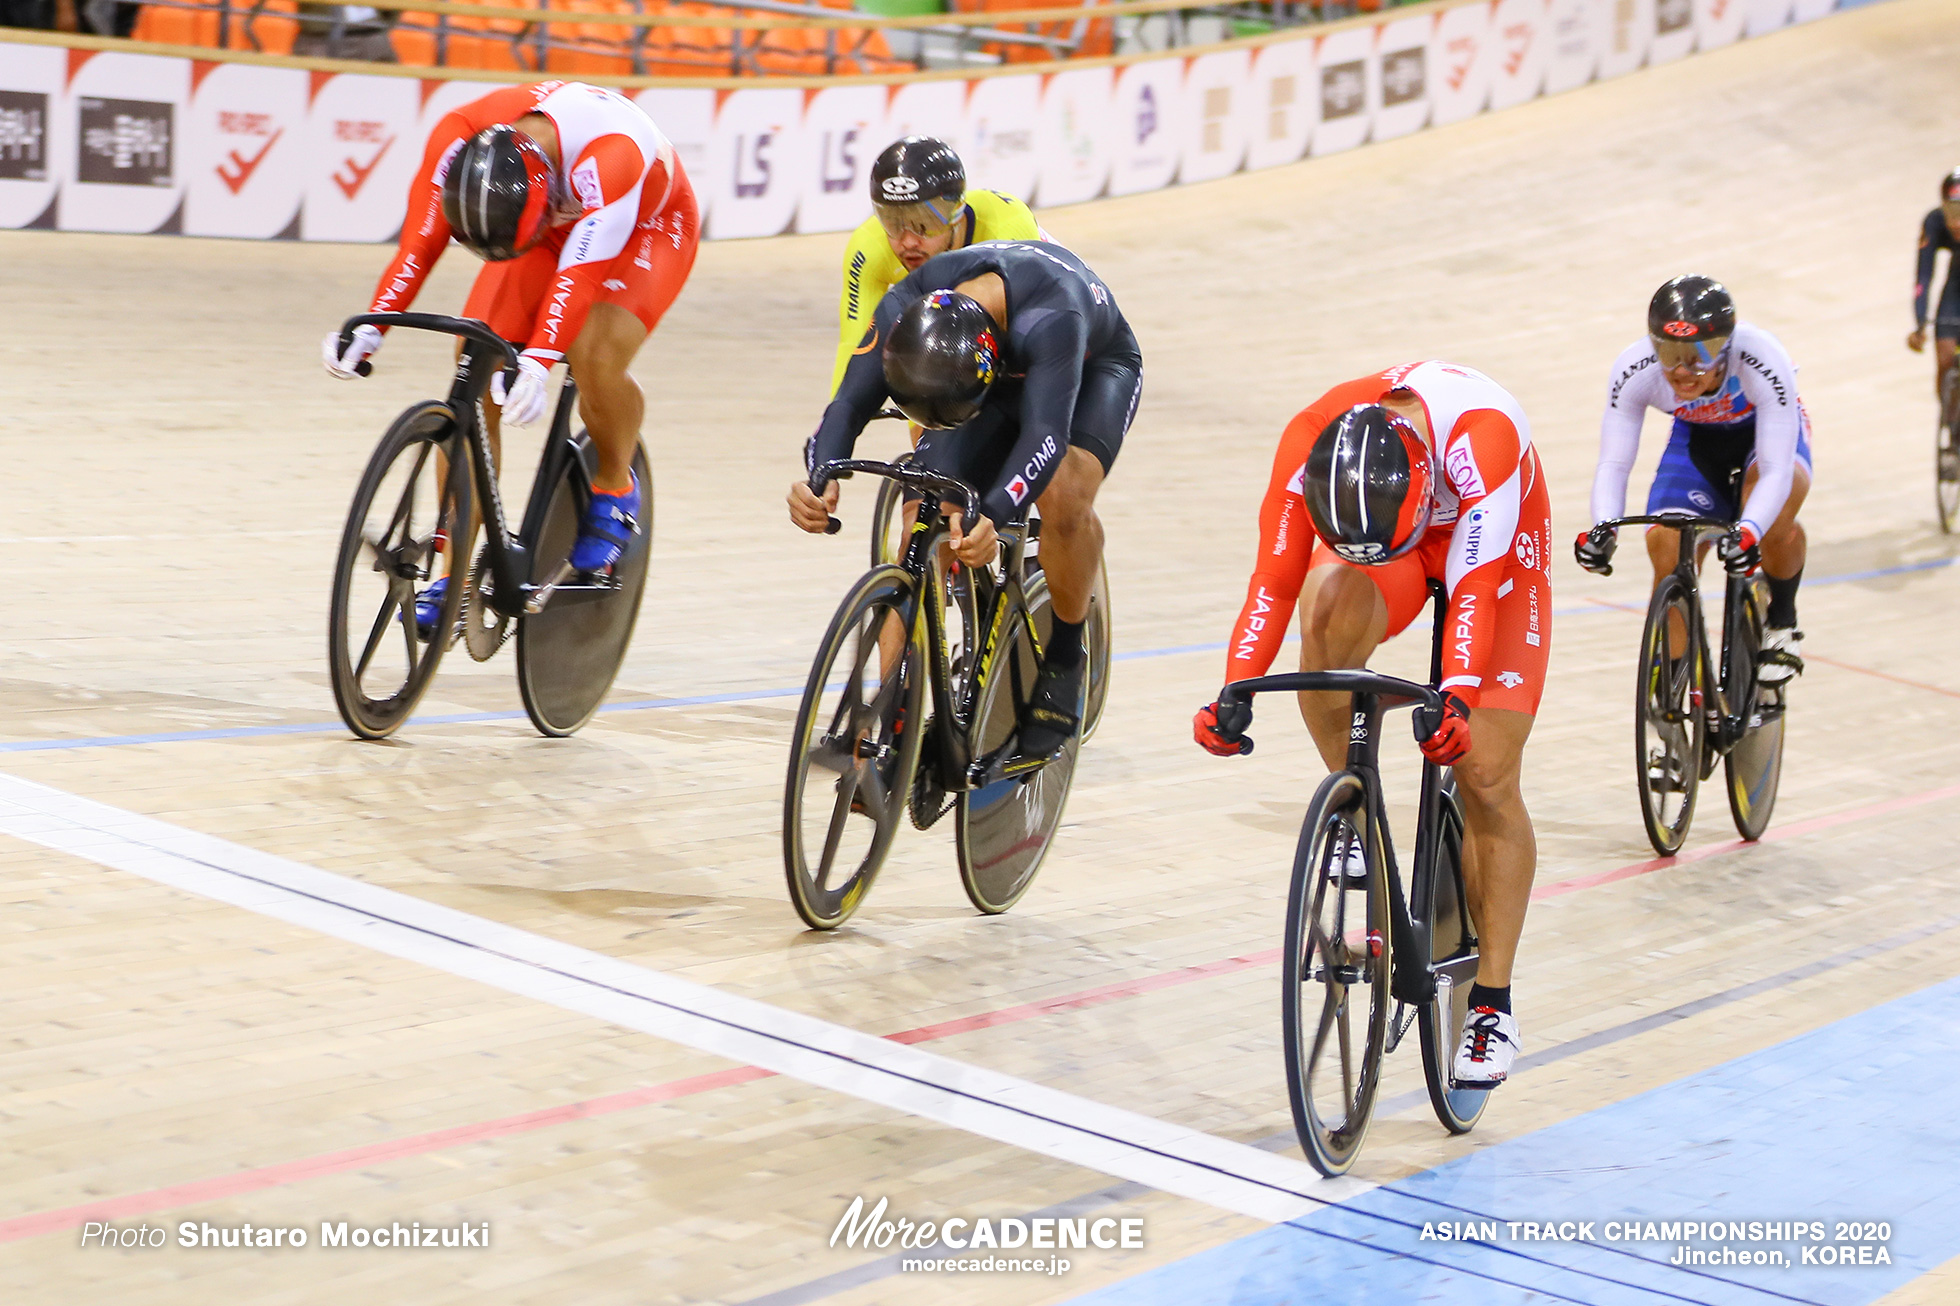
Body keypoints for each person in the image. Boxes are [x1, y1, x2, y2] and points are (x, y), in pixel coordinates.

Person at [1192, 362, 1553, 1090]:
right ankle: (1357, 809)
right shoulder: (1312, 442)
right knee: (1325, 616)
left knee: (1483, 770)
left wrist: (1454, 697)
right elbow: (1273, 580)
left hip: (1497, 550)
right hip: (1393, 537)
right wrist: (1234, 688)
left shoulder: (1482, 438)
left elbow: (1475, 589)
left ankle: (1492, 1003)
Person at [322, 80, 699, 636]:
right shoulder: (459, 137)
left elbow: (580, 273)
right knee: (475, 362)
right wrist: (374, 324)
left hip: (648, 223)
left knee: (592, 354)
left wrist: (541, 359)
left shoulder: (612, 158)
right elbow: (419, 242)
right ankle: (455, 575)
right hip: (542, 225)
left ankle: (615, 485)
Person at [789, 240, 1139, 756]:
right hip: (982, 373)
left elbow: (1045, 436)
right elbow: (846, 403)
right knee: (920, 519)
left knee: (1063, 496)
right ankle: (895, 720)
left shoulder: (1053, 314)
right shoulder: (904, 308)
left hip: (1091, 366)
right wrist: (819, 476)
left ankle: (1066, 654)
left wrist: (993, 514)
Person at [1574, 275, 1810, 685]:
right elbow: (1613, 463)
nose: (1684, 369)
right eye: (1669, 352)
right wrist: (1603, 528)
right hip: (1697, 442)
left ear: (1727, 346)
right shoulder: (1635, 369)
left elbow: (1775, 470)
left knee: (1772, 521)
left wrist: (1750, 531)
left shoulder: (1761, 357)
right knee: (1665, 543)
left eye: (1702, 353)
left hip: (1764, 438)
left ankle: (1782, 622)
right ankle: (1674, 684)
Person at [831, 137, 1042, 395]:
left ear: (956, 213)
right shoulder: (869, 247)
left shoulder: (1006, 228)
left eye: (924, 223)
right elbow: (854, 348)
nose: (908, 241)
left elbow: (1036, 343)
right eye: (893, 222)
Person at [1907, 167, 1960, 416]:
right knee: (1945, 357)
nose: (1956, 221)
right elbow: (1924, 276)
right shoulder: (1934, 221)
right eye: (1951, 212)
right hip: (1955, 289)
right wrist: (1920, 324)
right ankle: (1951, 420)